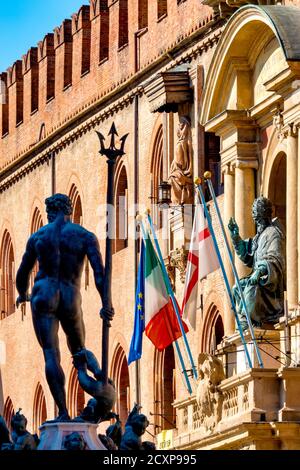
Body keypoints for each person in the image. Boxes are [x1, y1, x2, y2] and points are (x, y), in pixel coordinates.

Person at [16, 194, 114, 421]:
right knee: (79, 350)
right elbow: (100, 275)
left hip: (43, 294)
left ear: (49, 213)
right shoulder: (85, 236)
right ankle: (95, 378)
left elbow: (22, 274)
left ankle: (63, 412)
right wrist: (105, 303)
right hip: (70, 296)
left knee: (51, 355)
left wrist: (23, 294)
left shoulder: (38, 237)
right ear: (69, 210)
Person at [228, 196, 285, 330]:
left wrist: (259, 272)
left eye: (258, 219)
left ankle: (246, 321)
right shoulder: (258, 237)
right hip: (259, 280)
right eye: (256, 219)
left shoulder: (273, 233)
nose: (256, 222)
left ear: (264, 216)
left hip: (270, 285)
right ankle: (244, 320)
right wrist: (236, 237)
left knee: (251, 288)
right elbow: (247, 257)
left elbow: (275, 258)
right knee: (237, 287)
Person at [168, 116, 193, 205]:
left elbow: (179, 163)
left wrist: (174, 171)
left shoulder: (180, 145)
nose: (178, 129)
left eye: (180, 127)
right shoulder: (184, 143)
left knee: (173, 177)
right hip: (181, 175)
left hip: (179, 175)